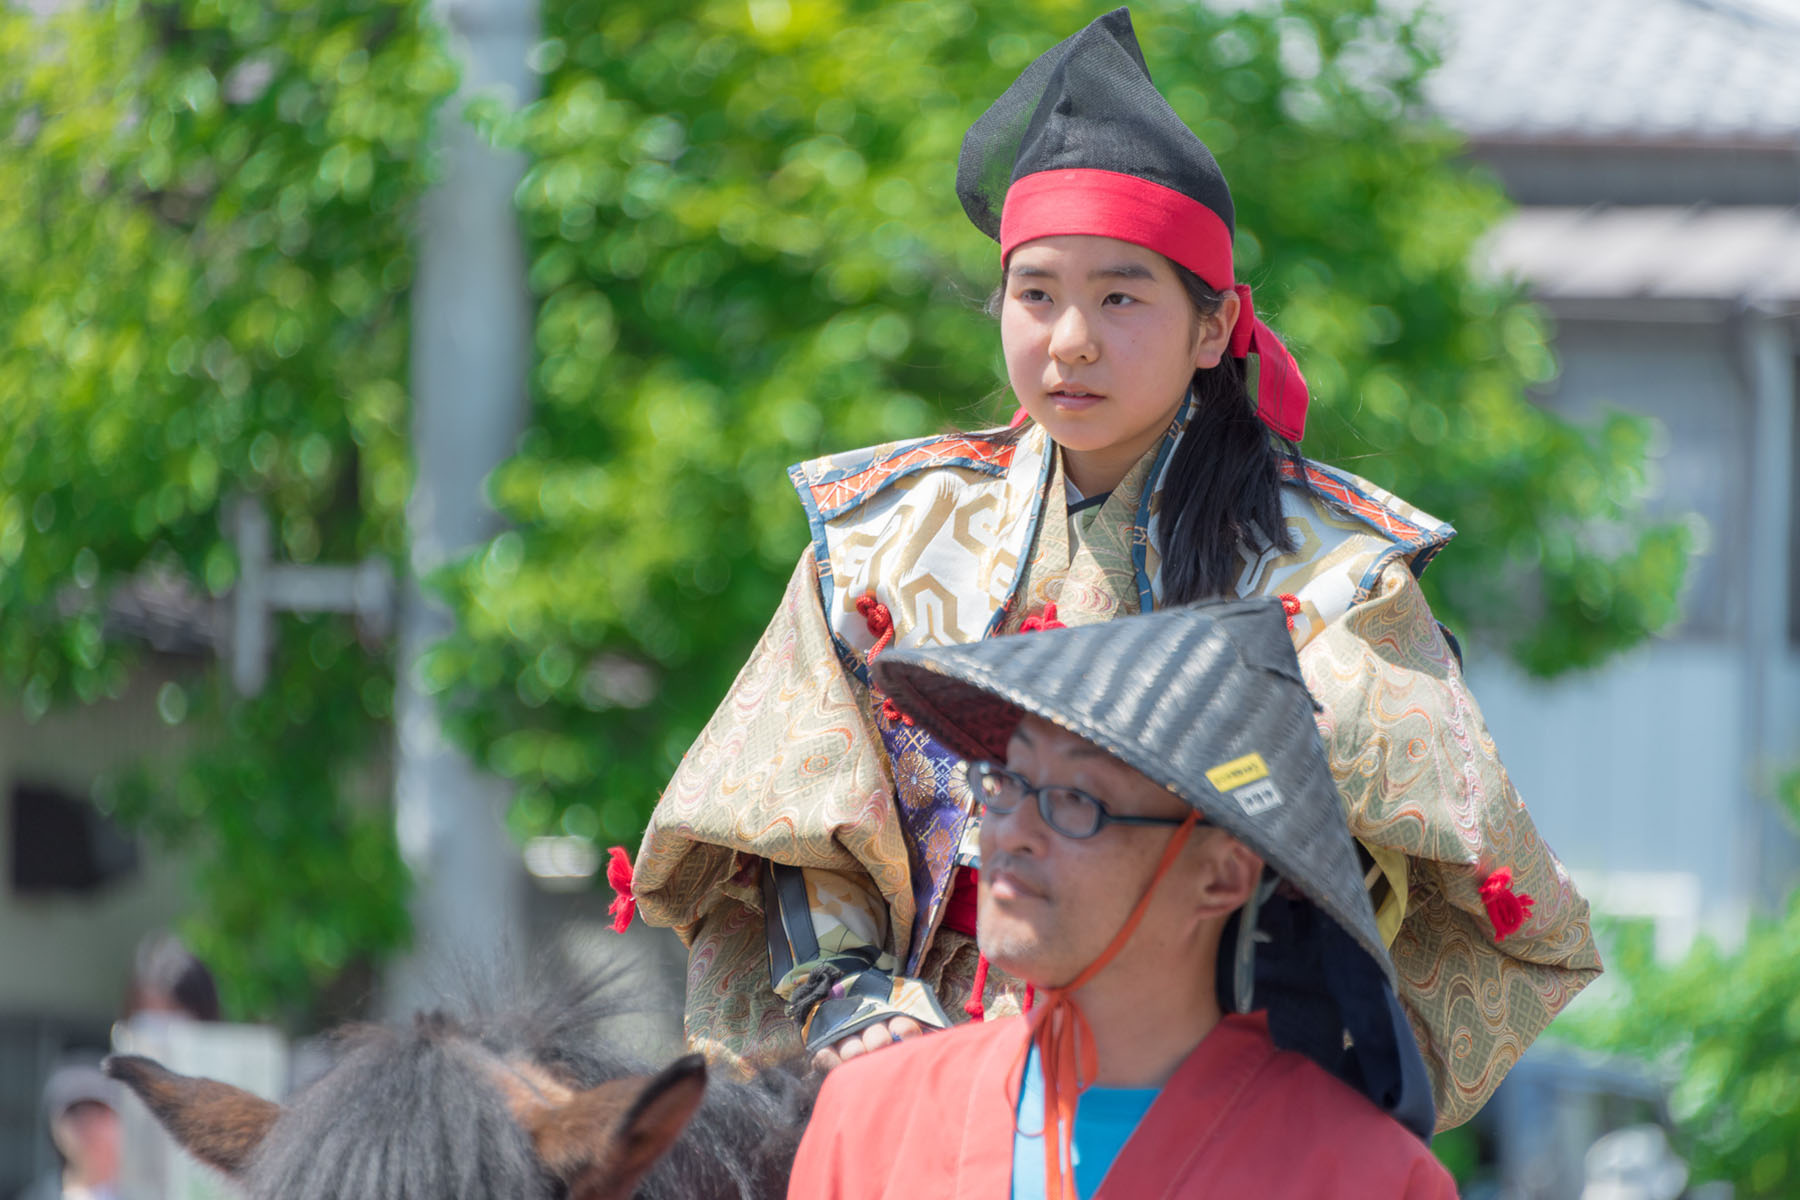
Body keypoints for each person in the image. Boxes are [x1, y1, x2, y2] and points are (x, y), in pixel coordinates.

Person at [619, 7, 1599, 1129]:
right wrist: (854, 1000)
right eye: (1036, 294)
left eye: (1120, 296)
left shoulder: (1335, 573)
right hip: (912, 1064)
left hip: (1209, 1084)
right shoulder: (887, 534)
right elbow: (782, 805)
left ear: (1211, 324)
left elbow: (1411, 865)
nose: (1070, 338)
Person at [790, 598, 1457, 1197]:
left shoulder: (1368, 1178)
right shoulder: (868, 1113)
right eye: (1004, 782)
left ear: (1222, 877)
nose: (1011, 830)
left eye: (1076, 800)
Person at [15, 1064, 125, 1200]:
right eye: (76, 1114)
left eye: (99, 1112)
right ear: (55, 1129)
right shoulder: (39, 1196)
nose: (88, 1126)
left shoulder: (148, 1191)